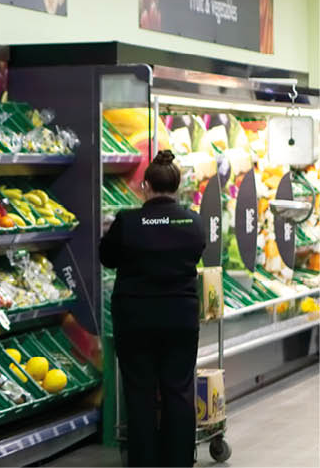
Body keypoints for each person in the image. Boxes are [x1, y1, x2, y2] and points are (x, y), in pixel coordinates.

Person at [100, 150, 206, 467]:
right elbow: (196, 254)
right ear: (178, 185)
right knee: (179, 390)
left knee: (140, 392)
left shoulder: (127, 221)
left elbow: (108, 258)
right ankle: (179, 461)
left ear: (145, 186)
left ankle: (144, 461)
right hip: (180, 318)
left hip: (135, 319)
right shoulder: (193, 221)